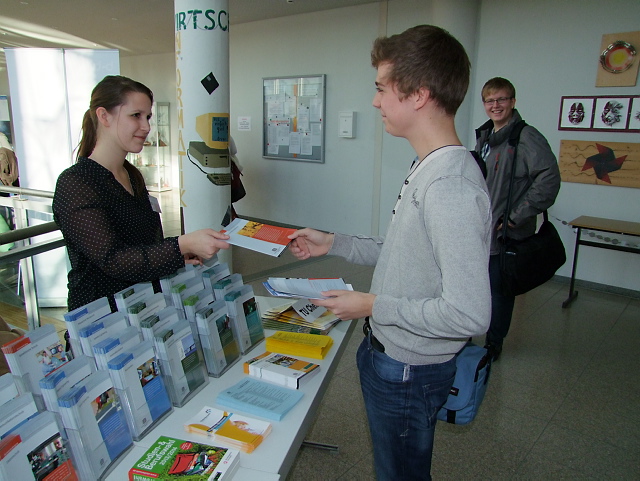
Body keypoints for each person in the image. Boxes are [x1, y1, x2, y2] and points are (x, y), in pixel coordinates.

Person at [287, 25, 492, 480]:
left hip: (409, 370)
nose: (376, 101)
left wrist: (373, 304)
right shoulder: (429, 165)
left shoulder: (450, 185)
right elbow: (405, 253)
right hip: (389, 353)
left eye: (382, 88)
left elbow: (471, 314)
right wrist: (333, 243)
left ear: (418, 94)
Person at [53, 75, 230, 312]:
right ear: (103, 116)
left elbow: (143, 244)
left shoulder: (131, 175)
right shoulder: (76, 182)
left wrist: (181, 253)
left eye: (148, 117)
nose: (146, 126)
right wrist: (181, 245)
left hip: (146, 311)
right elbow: (113, 260)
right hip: (103, 320)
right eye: (135, 116)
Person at [474, 77, 561, 361]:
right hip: (481, 230)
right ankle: (469, 331)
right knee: (476, 284)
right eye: (490, 100)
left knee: (500, 290)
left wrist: (514, 217)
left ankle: (493, 344)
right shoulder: (485, 137)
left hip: (506, 232)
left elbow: (549, 179)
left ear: (513, 102)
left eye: (501, 99)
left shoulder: (525, 136)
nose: (495, 105)